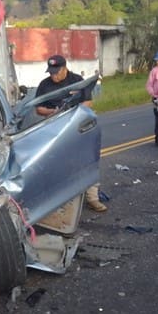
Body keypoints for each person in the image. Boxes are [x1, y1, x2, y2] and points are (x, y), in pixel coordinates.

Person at [35, 55, 108, 213]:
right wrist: (53, 111)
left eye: (56, 72)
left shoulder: (77, 80)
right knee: (58, 164)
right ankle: (60, 202)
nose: (53, 75)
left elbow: (88, 101)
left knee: (87, 160)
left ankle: (92, 198)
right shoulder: (44, 85)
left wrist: (72, 112)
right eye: (51, 72)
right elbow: (38, 108)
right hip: (55, 128)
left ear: (64, 68)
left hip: (76, 126)